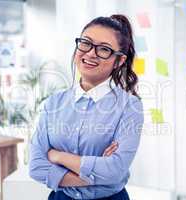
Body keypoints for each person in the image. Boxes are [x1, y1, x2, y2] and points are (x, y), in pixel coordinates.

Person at [29, 14, 144, 200]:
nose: (90, 53)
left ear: (119, 61)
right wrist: (99, 174)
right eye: (86, 43)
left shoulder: (129, 106)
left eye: (104, 49)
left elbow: (115, 170)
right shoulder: (54, 103)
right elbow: (36, 167)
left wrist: (57, 156)